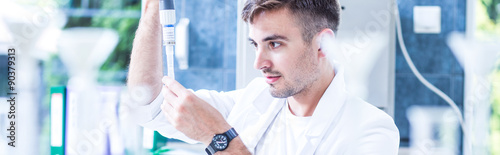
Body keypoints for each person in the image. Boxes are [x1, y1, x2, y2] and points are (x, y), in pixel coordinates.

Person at [126, 0, 400, 154]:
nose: (259, 63)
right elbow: (146, 103)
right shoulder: (256, 99)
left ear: (321, 45)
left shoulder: (371, 131)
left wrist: (219, 137)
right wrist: (152, 8)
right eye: (255, 45)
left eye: (275, 44)